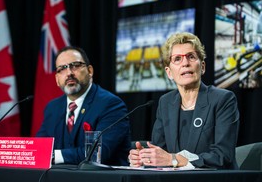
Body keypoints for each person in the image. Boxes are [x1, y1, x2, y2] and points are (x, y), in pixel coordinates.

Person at [128, 32, 240, 169]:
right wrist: (145, 157)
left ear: (202, 66)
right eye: (177, 59)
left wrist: (174, 159)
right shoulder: (166, 103)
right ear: (169, 72)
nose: (185, 63)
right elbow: (160, 149)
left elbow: (223, 155)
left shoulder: (223, 99)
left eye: (191, 57)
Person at [36, 46, 131, 166]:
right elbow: (39, 148)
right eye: (62, 69)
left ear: (90, 71)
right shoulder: (52, 108)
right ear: (57, 79)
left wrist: (55, 156)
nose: (69, 73)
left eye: (75, 65)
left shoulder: (111, 104)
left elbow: (99, 154)